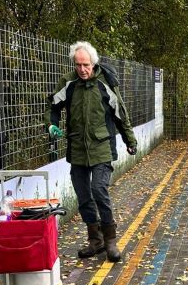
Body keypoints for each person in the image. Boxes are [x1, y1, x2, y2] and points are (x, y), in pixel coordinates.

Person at [48, 41, 137, 263]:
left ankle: (110, 241)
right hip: (77, 148)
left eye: (86, 65)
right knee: (84, 195)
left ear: (93, 63)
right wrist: (51, 125)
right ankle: (95, 241)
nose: (82, 69)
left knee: (99, 190)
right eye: (78, 65)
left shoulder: (105, 83)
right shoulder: (68, 83)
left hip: (101, 148)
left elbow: (120, 114)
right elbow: (53, 106)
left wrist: (130, 140)